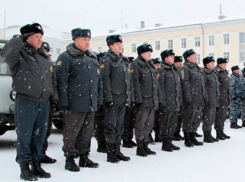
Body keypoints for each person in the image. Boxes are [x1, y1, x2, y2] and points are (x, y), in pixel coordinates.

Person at [1, 23, 57, 180]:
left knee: (39, 136)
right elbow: (6, 53)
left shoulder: (43, 57)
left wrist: (52, 100)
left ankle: (37, 164)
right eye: (37, 37)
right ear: (28, 38)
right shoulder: (19, 55)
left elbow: (50, 80)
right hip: (26, 101)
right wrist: (19, 38)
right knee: (25, 136)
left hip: (43, 102)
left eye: (41, 37)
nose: (40, 40)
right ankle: (24, 167)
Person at [56, 28, 103, 172]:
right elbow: (61, 82)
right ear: (75, 40)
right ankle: (69, 157)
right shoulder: (66, 57)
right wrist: (63, 101)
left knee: (87, 131)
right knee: (72, 132)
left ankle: (84, 156)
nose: (87, 42)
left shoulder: (92, 58)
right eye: (84, 40)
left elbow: (98, 81)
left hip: (90, 102)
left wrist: (99, 99)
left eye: (88, 40)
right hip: (74, 102)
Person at [99, 34, 132, 163]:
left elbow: (127, 81)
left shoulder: (122, 60)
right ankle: (111, 153)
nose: (120, 46)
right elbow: (105, 80)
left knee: (119, 126)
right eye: (117, 44)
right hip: (112, 99)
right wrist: (108, 98)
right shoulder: (106, 60)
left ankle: (117, 150)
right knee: (110, 126)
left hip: (122, 99)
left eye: (120, 44)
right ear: (110, 45)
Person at [132, 43, 161, 157]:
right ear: (141, 54)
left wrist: (157, 99)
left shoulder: (151, 66)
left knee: (149, 125)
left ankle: (145, 144)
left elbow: (156, 84)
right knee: (141, 124)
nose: (150, 54)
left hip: (152, 100)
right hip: (143, 101)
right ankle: (139, 146)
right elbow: (136, 84)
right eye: (147, 53)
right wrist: (138, 100)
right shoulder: (136, 65)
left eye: (150, 53)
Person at [180, 49, 207, 147]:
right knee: (189, 118)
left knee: (197, 118)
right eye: (193, 55)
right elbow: (184, 83)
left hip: (199, 99)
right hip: (191, 99)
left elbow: (202, 84)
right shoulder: (185, 68)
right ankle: (187, 138)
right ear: (188, 57)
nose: (196, 57)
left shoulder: (197, 68)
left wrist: (204, 97)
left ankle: (193, 135)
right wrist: (188, 98)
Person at [158, 50, 181, 152]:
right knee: (165, 123)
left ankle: (170, 141)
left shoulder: (174, 70)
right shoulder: (162, 70)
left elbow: (178, 87)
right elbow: (160, 88)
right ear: (165, 58)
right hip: (167, 101)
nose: (173, 58)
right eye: (171, 56)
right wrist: (162, 101)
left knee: (173, 123)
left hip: (174, 101)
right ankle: (165, 143)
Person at [40, 41, 57, 164]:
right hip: (38, 100)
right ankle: (34, 156)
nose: (45, 52)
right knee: (36, 131)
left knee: (46, 130)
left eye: (47, 51)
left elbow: (54, 82)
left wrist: (54, 99)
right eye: (43, 50)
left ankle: (42, 153)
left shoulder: (50, 63)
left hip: (48, 101)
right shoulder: (35, 62)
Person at [201, 56, 220, 143]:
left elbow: (216, 88)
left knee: (211, 118)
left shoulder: (213, 73)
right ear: (207, 64)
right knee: (207, 118)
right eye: (212, 63)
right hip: (208, 99)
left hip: (214, 99)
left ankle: (209, 133)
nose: (213, 64)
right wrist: (206, 99)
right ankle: (206, 135)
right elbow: (203, 88)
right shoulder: (204, 73)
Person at [122, 56, 137, 148]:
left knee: (131, 122)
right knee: (126, 122)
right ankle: (125, 140)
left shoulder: (130, 73)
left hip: (131, 100)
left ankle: (129, 138)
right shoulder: (125, 72)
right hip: (126, 101)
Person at [214, 58, 231, 139]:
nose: (225, 65)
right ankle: (218, 132)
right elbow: (216, 86)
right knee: (219, 116)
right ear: (220, 64)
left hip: (225, 98)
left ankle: (221, 131)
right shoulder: (217, 72)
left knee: (223, 116)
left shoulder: (224, 72)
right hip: (220, 98)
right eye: (224, 64)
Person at [95, 52, 107, 153]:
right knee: (100, 124)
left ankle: (103, 142)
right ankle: (101, 143)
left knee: (104, 123)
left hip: (105, 100)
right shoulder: (97, 70)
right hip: (99, 101)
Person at [173, 55, 184, 141]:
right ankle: (174, 133)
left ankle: (177, 132)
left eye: (181, 62)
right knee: (174, 118)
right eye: (178, 62)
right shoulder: (173, 71)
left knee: (179, 118)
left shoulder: (180, 71)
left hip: (180, 98)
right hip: (174, 98)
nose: (180, 63)